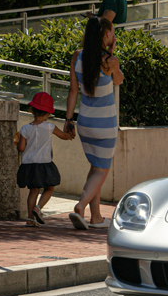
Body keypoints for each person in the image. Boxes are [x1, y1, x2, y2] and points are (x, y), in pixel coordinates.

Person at [65, 16, 124, 230]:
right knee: (102, 170)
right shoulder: (109, 61)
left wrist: (68, 119)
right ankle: (81, 206)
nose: (114, 36)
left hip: (84, 122)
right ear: (106, 34)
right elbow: (119, 80)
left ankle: (96, 217)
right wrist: (112, 52)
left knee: (95, 167)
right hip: (105, 124)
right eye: (112, 32)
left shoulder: (77, 56)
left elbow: (73, 91)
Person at [16, 92, 74, 227]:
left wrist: (18, 141)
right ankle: (38, 208)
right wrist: (70, 134)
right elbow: (64, 136)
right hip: (44, 164)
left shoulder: (24, 129)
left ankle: (30, 219)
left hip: (28, 165)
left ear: (31, 111)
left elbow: (21, 148)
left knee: (33, 191)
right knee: (49, 188)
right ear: (48, 114)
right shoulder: (50, 127)